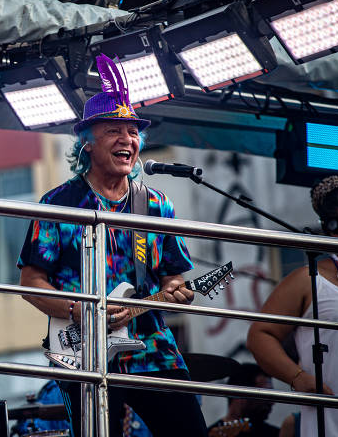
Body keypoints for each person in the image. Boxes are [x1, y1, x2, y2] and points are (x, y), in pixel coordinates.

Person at [17, 54, 207, 437]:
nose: (128, 139)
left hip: (151, 348)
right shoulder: (59, 203)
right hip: (83, 351)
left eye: (133, 132)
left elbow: (175, 280)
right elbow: (31, 281)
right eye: (113, 130)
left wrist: (177, 293)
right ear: (86, 143)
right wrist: (80, 312)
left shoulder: (155, 204)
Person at [246, 176, 338, 437]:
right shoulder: (308, 278)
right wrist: (298, 378)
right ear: (332, 224)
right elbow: (261, 335)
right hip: (332, 420)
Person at [207, 363, 278, 437]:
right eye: (265, 394)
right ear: (241, 394)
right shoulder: (210, 434)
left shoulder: (278, 433)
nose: (272, 402)